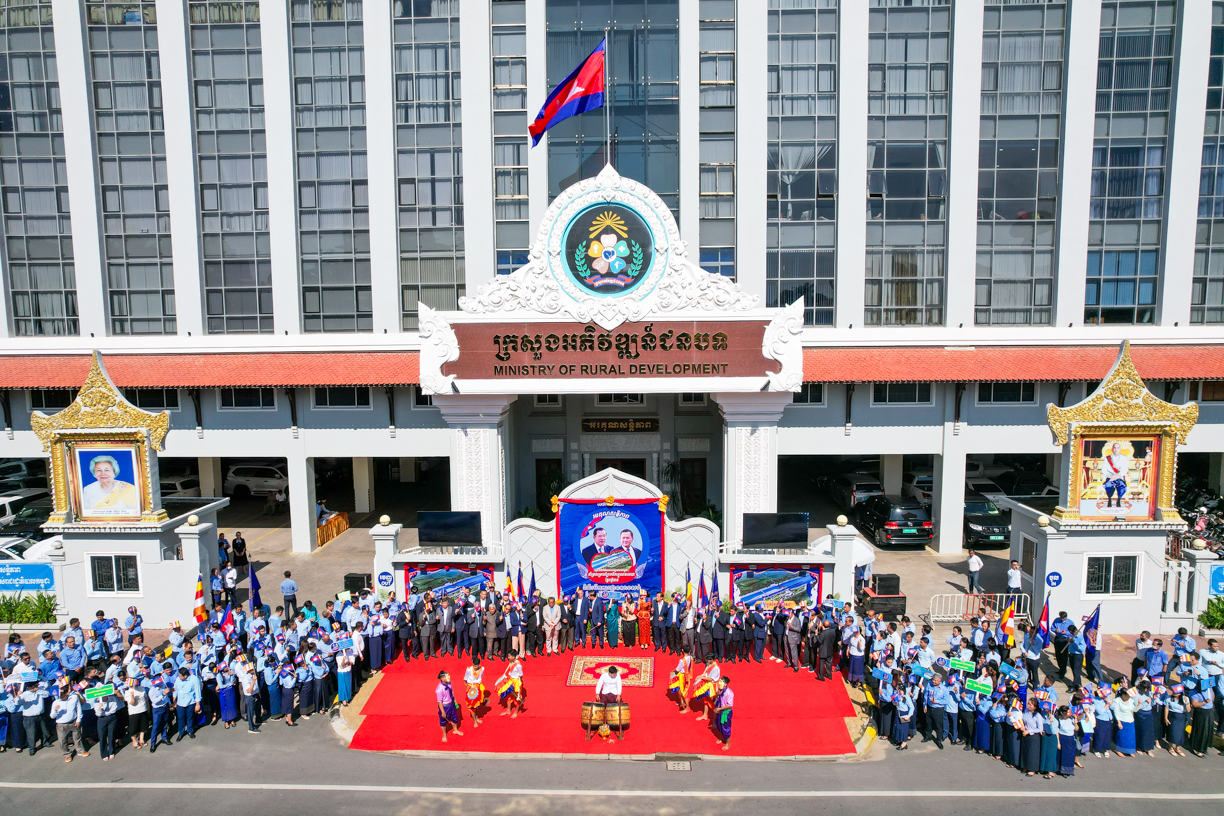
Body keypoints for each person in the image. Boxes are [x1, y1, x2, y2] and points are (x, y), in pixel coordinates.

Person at [50, 685, 86, 762]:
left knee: (77, 738)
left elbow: (78, 708)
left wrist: (78, 719)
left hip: (73, 721)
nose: (60, 695)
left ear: (67, 693)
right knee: (62, 740)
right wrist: (55, 710)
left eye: (62, 693)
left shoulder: (74, 698)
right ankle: (67, 754)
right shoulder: (55, 702)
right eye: (59, 693)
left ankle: (80, 751)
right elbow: (52, 716)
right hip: (61, 724)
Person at [1100, 440, 1130, 508]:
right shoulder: (1108, 458)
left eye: (1117, 448)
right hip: (1110, 477)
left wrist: (1117, 476)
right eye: (1114, 448)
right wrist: (1110, 476)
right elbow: (1104, 469)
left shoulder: (1124, 458)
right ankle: (1109, 499)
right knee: (1108, 485)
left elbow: (1125, 469)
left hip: (1119, 477)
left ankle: (1119, 500)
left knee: (1122, 486)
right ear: (1112, 449)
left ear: (1120, 449)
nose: (1116, 449)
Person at [435, 670, 463, 742]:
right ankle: (444, 734)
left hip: (452, 704)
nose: (448, 678)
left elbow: (452, 691)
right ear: (442, 679)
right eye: (446, 677)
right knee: (443, 721)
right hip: (445, 706)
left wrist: (455, 701)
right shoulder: (439, 689)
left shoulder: (449, 683)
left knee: (454, 717)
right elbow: (439, 702)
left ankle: (455, 730)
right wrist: (443, 712)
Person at [495, 650, 525, 718]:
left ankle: (516, 712)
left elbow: (521, 675)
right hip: (510, 680)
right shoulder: (511, 662)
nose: (508, 657)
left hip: (516, 682)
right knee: (508, 696)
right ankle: (508, 710)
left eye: (509, 656)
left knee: (517, 697)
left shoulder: (518, 665)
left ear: (513, 657)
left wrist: (520, 682)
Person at [690, 657, 720, 721]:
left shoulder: (716, 668)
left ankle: (717, 717)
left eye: (708, 660)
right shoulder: (709, 665)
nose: (707, 661)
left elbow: (711, 679)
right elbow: (706, 674)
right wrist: (700, 676)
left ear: (712, 659)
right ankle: (705, 715)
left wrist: (701, 677)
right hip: (707, 685)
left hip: (712, 686)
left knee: (713, 701)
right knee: (705, 700)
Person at [669, 647, 695, 712]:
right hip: (687, 675)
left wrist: (673, 672)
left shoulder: (682, 660)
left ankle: (687, 707)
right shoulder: (691, 657)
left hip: (682, 676)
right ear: (690, 650)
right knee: (682, 689)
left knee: (683, 691)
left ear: (682, 650)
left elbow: (678, 669)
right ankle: (682, 701)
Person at [463, 657, 487, 727]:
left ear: (479, 664)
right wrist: (467, 689)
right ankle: (475, 721)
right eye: (473, 665)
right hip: (471, 688)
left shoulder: (482, 669)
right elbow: (465, 679)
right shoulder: (469, 669)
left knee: (477, 704)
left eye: (476, 666)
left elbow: (481, 676)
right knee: (472, 705)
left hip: (478, 687)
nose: (474, 667)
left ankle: (476, 717)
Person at [711, 676, 733, 751]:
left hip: (725, 712)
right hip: (719, 710)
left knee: (725, 728)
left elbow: (730, 705)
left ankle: (728, 743)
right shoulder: (720, 690)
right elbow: (717, 698)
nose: (719, 683)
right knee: (719, 725)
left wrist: (720, 709)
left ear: (725, 684)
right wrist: (717, 694)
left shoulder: (729, 693)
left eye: (721, 682)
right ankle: (723, 737)